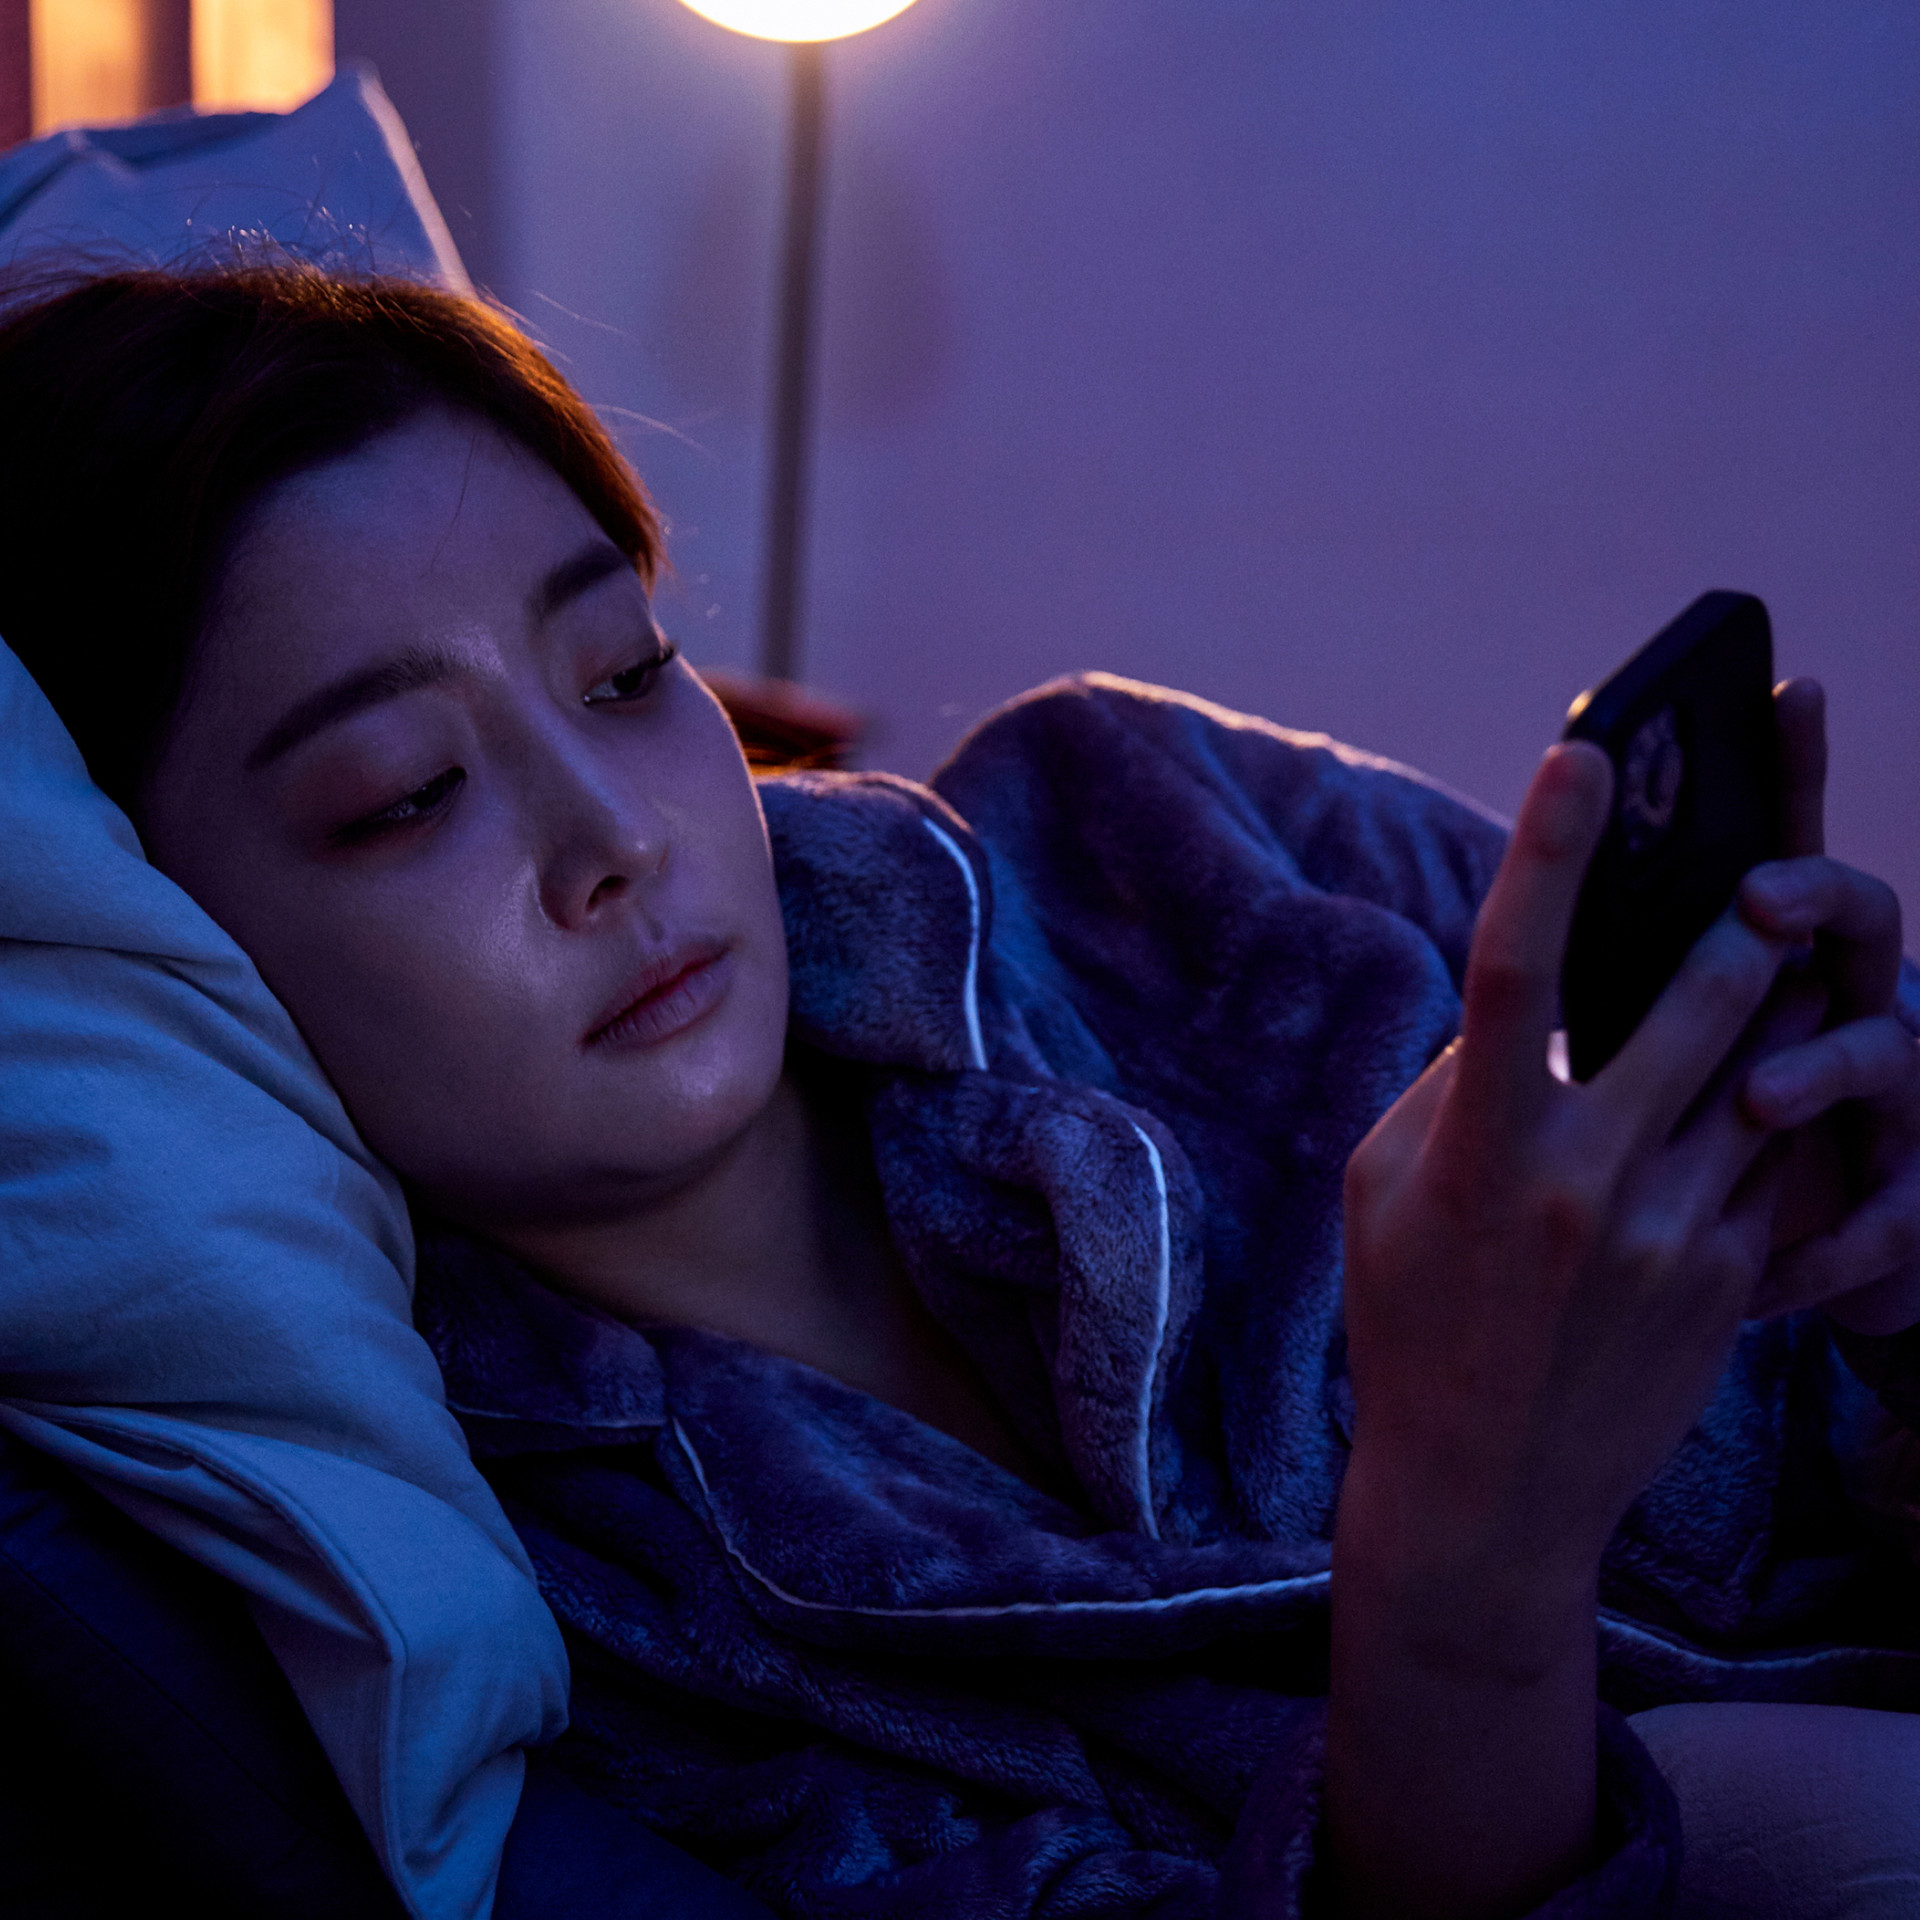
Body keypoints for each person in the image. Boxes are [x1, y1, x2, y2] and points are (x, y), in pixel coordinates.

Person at [2, 260, 1917, 1920]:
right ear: (160, 936)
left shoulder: (1158, 824)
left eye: (625, 672)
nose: (617, 841)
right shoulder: (551, 1606)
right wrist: (1468, 1554)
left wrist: (1889, 1278)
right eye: (408, 793)